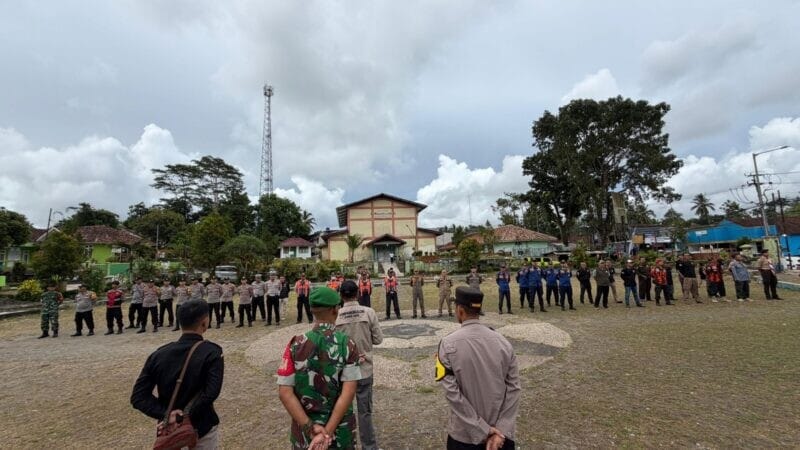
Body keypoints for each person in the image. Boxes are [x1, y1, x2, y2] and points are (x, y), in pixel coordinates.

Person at [131, 300, 224, 449]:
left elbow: (139, 397)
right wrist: (182, 417)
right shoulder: (211, 352)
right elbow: (210, 393)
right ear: (205, 322)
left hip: (170, 429)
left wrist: (167, 415)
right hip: (201, 425)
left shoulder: (159, 355)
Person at [436, 286, 520, 450]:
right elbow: (514, 389)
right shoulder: (504, 343)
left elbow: (452, 394)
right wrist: (501, 430)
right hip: (500, 438)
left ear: (460, 310)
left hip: (464, 437)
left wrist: (482, 429)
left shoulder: (447, 344)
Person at [277, 287, 361, 449]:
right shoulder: (347, 344)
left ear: (311, 310)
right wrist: (327, 432)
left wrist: (310, 429)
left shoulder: (295, 345)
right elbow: (348, 393)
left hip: (305, 437)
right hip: (340, 435)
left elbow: (285, 393)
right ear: (335, 310)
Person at [335, 280, 384, 450]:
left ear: (341, 295)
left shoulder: (336, 315)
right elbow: (378, 339)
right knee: (365, 413)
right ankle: (369, 447)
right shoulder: (368, 312)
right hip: (364, 370)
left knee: (341, 411)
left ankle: (345, 445)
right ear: (357, 293)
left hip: (343, 372)